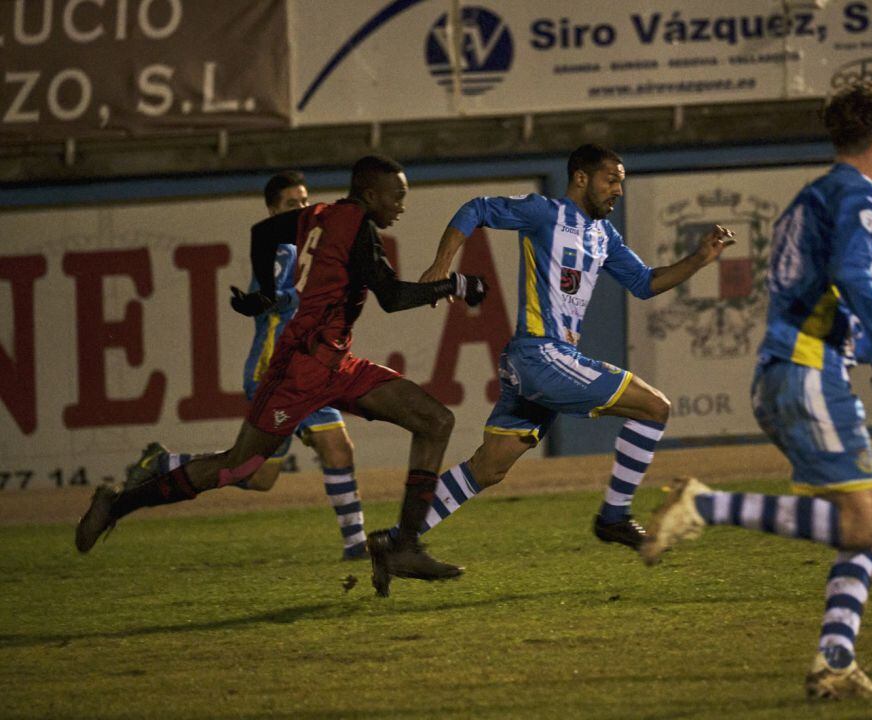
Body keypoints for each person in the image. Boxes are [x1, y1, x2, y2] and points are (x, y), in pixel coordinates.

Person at [639, 80, 872, 700]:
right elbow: (852, 274)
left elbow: (818, 309)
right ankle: (703, 505)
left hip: (790, 371)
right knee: (865, 526)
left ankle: (833, 662)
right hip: (806, 377)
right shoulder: (862, 196)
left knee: (871, 531)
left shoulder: (807, 201)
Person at [76, 155, 488, 590]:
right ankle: (116, 505)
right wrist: (457, 285)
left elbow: (264, 232)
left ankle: (403, 544)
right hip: (300, 369)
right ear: (370, 195)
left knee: (435, 420)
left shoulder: (320, 215)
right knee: (239, 468)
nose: (402, 205)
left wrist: (268, 293)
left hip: (336, 363)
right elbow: (391, 297)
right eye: (398, 195)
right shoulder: (356, 229)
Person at [363, 143, 735, 595]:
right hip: (543, 356)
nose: (618, 189)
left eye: (621, 181)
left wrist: (699, 259)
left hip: (535, 363)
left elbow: (644, 283)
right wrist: (443, 263)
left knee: (490, 467)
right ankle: (614, 516)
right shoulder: (545, 213)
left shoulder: (603, 236)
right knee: (654, 408)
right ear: (580, 178)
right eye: (610, 180)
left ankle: (399, 541)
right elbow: (476, 208)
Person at [126, 171, 372, 561]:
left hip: (308, 369)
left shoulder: (311, 249)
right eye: (292, 204)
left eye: (306, 201)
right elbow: (277, 297)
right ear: (273, 210)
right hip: (276, 372)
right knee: (335, 447)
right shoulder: (281, 250)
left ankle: (163, 463)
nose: (303, 209)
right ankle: (357, 547)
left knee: (259, 477)